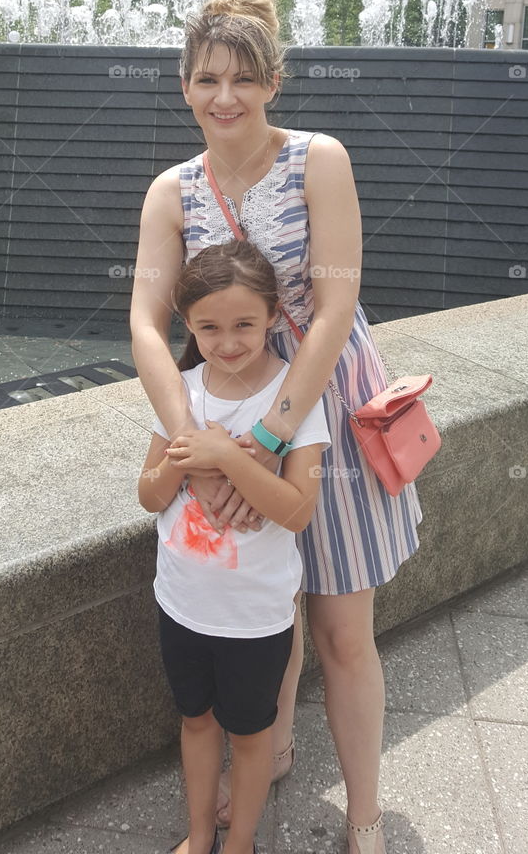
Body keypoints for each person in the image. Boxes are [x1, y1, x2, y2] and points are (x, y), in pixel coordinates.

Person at [130, 0, 423, 854]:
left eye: (242, 79)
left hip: (320, 396)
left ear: (272, 83)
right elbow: (145, 324)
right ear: (183, 85)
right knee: (266, 603)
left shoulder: (317, 159)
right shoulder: (172, 191)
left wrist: (260, 438)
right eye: (206, 79)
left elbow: (334, 308)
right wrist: (199, 443)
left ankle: (364, 817)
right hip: (220, 401)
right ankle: (277, 743)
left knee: (339, 625)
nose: (225, 98)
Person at [138, 239, 330, 854]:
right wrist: (183, 459)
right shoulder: (182, 393)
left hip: (255, 617)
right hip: (182, 603)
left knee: (250, 737)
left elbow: (298, 511)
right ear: (188, 325)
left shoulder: (294, 403)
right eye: (209, 327)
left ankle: (240, 842)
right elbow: (148, 495)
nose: (228, 342)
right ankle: (200, 837)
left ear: (274, 314)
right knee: (195, 723)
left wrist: (228, 458)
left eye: (245, 323)